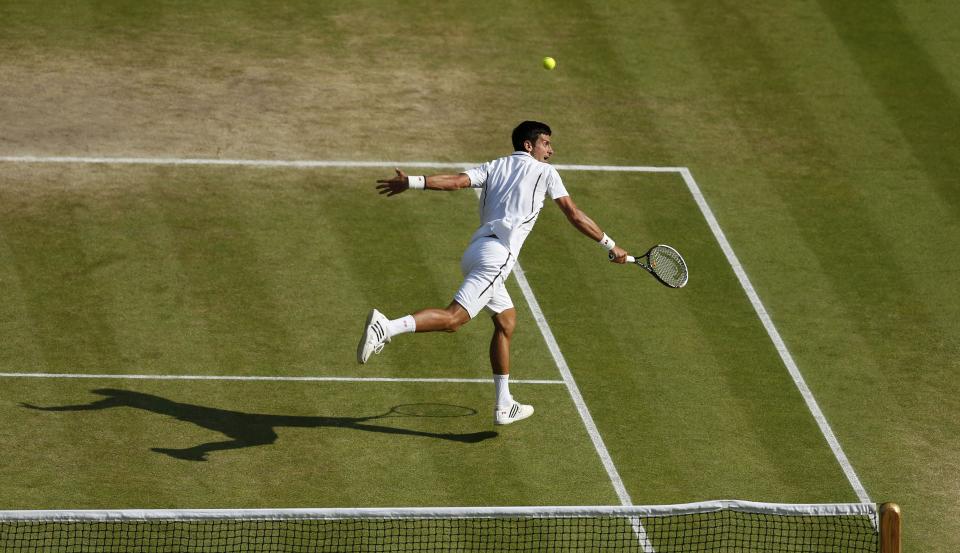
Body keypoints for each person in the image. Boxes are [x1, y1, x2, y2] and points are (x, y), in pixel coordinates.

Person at [358, 121, 629, 425]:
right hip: (496, 258)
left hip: (476, 252)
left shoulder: (495, 166)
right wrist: (610, 244)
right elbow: (574, 214)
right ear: (529, 145)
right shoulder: (546, 173)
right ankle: (387, 327)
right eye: (546, 144)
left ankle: (504, 404)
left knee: (506, 321)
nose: (551, 151)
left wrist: (413, 182)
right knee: (453, 319)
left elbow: (457, 181)